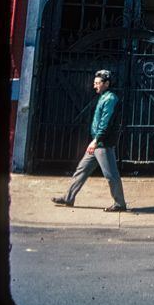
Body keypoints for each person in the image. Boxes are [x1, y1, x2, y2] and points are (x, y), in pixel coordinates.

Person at [52, 69, 127, 212]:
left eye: (98, 83)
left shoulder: (110, 99)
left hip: (102, 144)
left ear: (107, 83)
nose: (95, 86)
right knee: (82, 170)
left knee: (111, 174)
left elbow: (106, 122)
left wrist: (96, 140)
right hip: (97, 143)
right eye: (95, 83)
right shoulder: (104, 97)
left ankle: (120, 203)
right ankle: (69, 197)